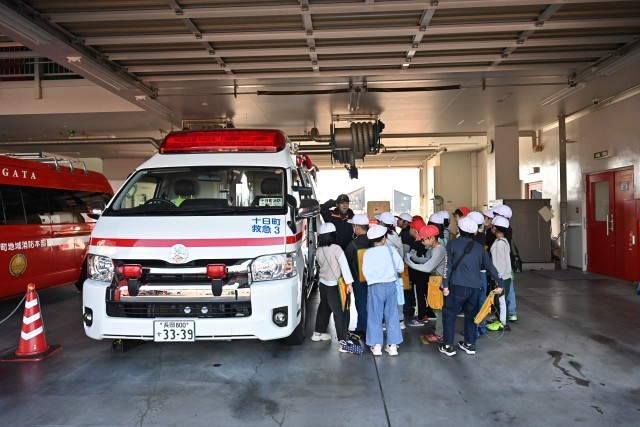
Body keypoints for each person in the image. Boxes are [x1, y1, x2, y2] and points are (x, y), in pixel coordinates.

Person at [439, 217, 504, 357]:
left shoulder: (452, 244)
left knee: (449, 315)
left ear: (459, 229)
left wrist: (445, 285)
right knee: (471, 316)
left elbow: (447, 266)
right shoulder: (480, 248)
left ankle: (448, 346)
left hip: (457, 286)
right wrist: (501, 282)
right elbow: (490, 267)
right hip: (475, 288)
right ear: (474, 232)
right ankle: (470, 344)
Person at [312, 223, 356, 353]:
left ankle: (318, 333)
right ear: (333, 235)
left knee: (324, 308)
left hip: (323, 284)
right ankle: (343, 342)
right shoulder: (337, 248)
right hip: (334, 286)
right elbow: (344, 266)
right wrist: (349, 283)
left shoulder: (319, 250)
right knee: (340, 313)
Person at [362, 224, 404, 356]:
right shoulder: (391, 250)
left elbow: (365, 272)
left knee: (375, 315)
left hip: (374, 287)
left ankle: (376, 346)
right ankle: (392, 346)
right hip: (390, 285)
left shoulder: (367, 253)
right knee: (392, 315)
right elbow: (401, 268)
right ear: (384, 238)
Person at [404, 225, 447, 342]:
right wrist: (415, 258)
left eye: (424, 239)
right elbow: (429, 261)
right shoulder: (436, 249)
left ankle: (439, 333)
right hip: (436, 280)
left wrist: (410, 263)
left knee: (438, 309)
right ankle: (440, 331)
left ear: (432, 238)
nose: (422, 242)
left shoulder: (438, 250)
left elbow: (428, 267)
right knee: (437, 308)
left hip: (439, 281)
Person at [375, 211, 406, 330]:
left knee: (385, 297)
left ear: (382, 223)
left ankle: (385, 321)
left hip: (385, 273)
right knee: (398, 295)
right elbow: (401, 255)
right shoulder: (397, 236)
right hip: (396, 271)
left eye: (378, 221)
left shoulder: (382, 239)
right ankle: (400, 320)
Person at [344, 213, 370, 339]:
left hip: (359, 280)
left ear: (357, 227)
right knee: (372, 304)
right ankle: (366, 327)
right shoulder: (374, 241)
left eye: (353, 226)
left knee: (361, 304)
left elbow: (346, 262)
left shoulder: (353, 244)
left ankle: (362, 329)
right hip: (373, 279)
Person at [492, 204, 518, 322]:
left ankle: (506, 318)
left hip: (503, 272)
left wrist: (498, 278)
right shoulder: (505, 236)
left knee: (504, 295)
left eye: (496, 215)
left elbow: (500, 263)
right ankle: (507, 314)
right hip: (506, 269)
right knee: (506, 292)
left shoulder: (500, 241)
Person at [487, 216, 513, 331]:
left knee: (501, 300)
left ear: (495, 228)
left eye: (492, 225)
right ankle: (500, 320)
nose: (491, 227)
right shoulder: (503, 240)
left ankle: (503, 323)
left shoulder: (499, 244)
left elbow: (500, 264)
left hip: (501, 277)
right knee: (499, 299)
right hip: (503, 276)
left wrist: (499, 280)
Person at [406, 216, 429, 324]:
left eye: (411, 228)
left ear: (415, 231)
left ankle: (420, 317)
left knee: (418, 295)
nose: (409, 229)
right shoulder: (426, 243)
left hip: (417, 275)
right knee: (424, 294)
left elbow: (412, 260)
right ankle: (426, 313)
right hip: (426, 273)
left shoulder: (416, 244)